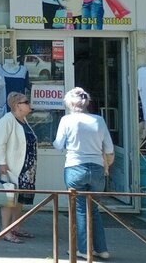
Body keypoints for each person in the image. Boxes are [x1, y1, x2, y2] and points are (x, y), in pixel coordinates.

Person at [53, 87, 114, 259]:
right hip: (97, 168)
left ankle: (83, 249)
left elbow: (58, 144)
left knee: (79, 209)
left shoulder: (66, 120)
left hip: (75, 167)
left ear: (69, 104)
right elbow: (109, 148)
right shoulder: (99, 120)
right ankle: (102, 249)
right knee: (93, 209)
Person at [0, 92, 37, 243]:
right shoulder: (7, 120)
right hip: (11, 167)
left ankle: (15, 227)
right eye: (26, 102)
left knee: (20, 199)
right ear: (17, 105)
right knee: (8, 199)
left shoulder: (23, 120)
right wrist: (1, 163)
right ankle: (5, 231)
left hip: (26, 168)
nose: (29, 104)